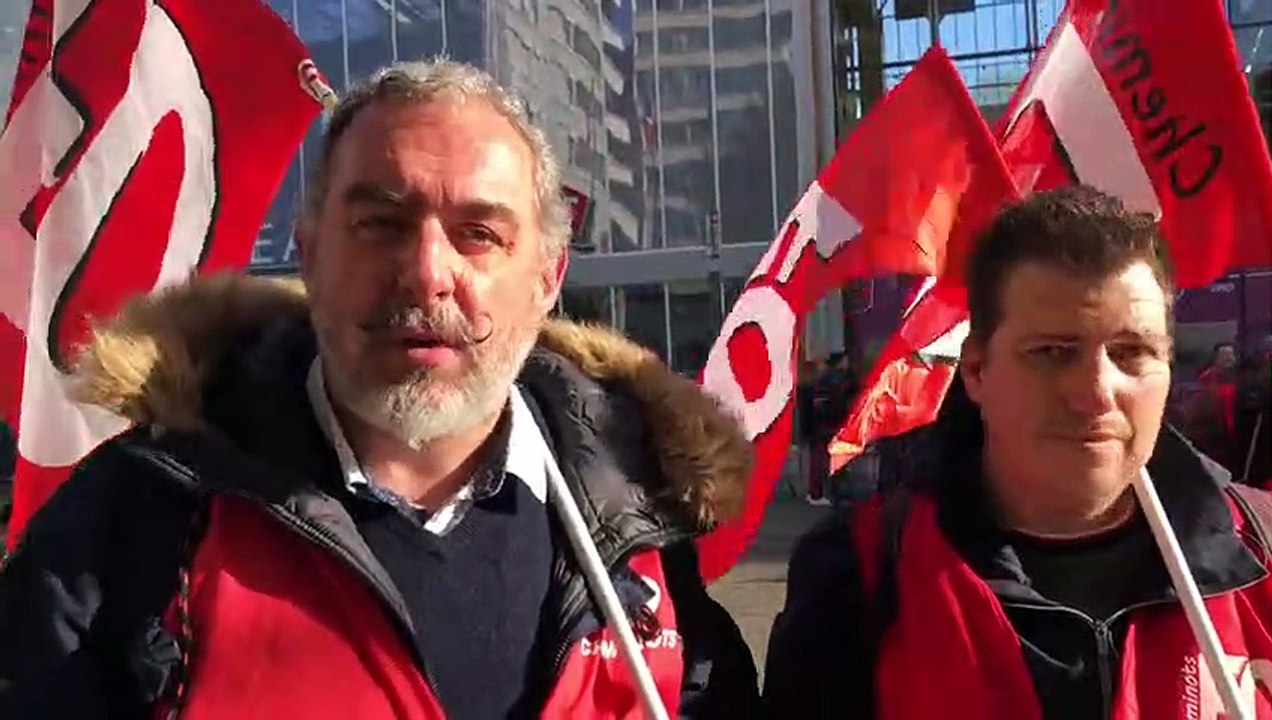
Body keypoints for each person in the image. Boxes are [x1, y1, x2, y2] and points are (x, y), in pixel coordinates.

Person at [0, 60, 759, 718]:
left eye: (479, 234)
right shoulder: (135, 523)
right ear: (311, 253)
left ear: (546, 280)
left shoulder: (638, 524)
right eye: (381, 224)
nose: (428, 273)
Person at [763, 186, 1272, 718]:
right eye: (1052, 352)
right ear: (977, 369)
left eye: (1130, 353)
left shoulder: (1261, 550)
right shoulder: (860, 577)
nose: (1097, 391)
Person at [1185, 341, 1240, 470]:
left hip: (1234, 432)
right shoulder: (1207, 378)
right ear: (1216, 358)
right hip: (1213, 433)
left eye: (1231, 355)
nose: (1230, 359)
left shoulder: (1238, 378)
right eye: (1225, 355)